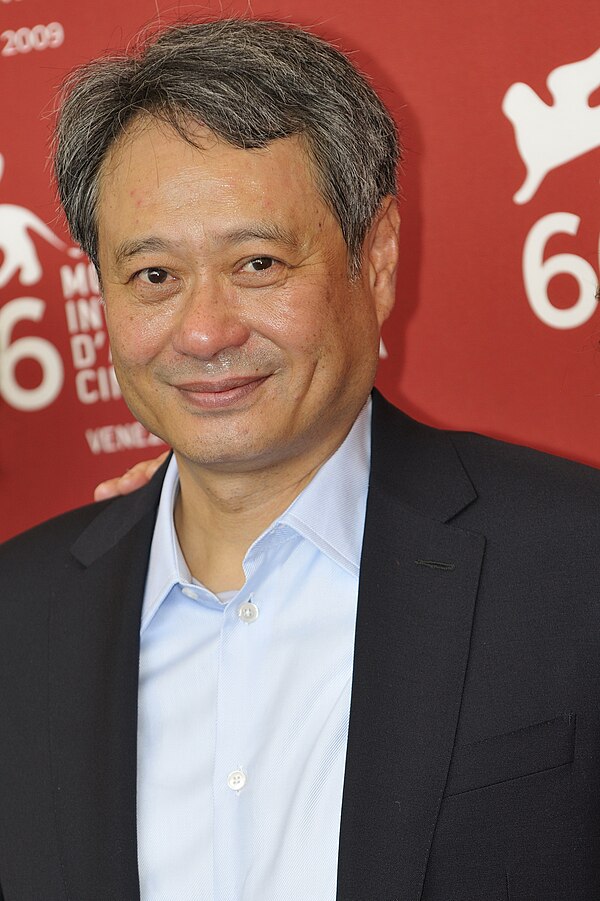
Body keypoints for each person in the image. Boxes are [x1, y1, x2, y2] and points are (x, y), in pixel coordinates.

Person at [1, 17, 600, 901]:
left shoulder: (572, 564)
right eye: (155, 276)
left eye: (257, 262)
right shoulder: (20, 614)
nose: (205, 331)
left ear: (378, 258)